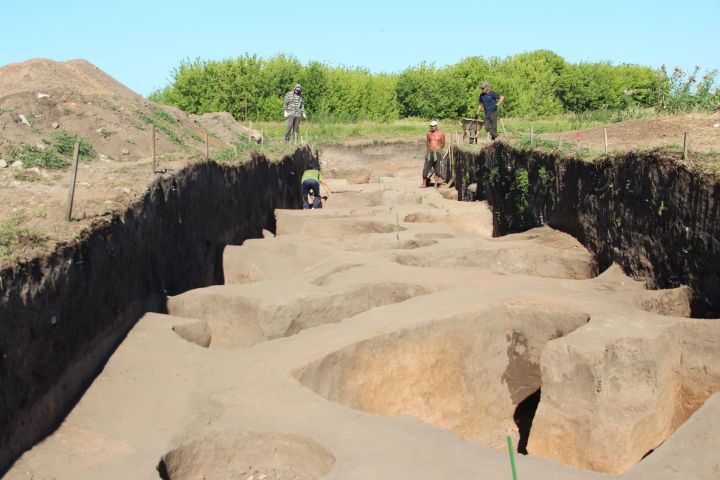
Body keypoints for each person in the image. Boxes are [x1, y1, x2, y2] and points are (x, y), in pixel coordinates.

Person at [421, 120, 446, 188]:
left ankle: (435, 184)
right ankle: (424, 184)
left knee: (437, 169)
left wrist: (438, 149)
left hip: (437, 152)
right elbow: (428, 142)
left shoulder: (441, 134)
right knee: (425, 168)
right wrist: (428, 150)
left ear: (436, 126)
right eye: (431, 126)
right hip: (430, 153)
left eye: (433, 126)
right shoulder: (429, 133)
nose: (432, 127)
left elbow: (443, 143)